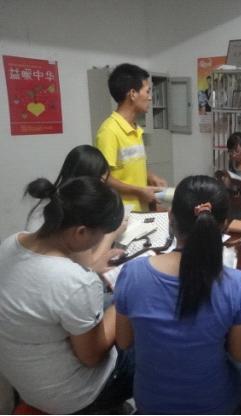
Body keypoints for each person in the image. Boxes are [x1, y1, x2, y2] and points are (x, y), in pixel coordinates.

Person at [114, 175, 241, 414]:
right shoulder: (237, 284)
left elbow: (124, 342)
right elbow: (240, 355)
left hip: (151, 404)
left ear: (170, 217)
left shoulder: (133, 273)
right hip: (213, 406)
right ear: (224, 225)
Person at [0, 176, 133, 414]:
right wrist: (124, 297)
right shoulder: (74, 282)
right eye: (99, 235)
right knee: (143, 334)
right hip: (73, 397)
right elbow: (91, 356)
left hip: (25, 380)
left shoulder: (11, 243)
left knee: (106, 303)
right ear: (81, 232)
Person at [26, 144, 125, 272]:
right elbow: (89, 267)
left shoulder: (55, 197)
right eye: (101, 179)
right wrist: (110, 233)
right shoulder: (75, 211)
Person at [95, 63, 167, 212]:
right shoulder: (109, 131)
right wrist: (139, 191)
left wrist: (150, 176)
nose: (150, 98)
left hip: (141, 210)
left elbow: (130, 169)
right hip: (122, 212)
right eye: (147, 92)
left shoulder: (135, 129)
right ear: (133, 94)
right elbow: (103, 178)